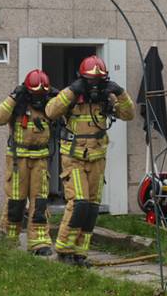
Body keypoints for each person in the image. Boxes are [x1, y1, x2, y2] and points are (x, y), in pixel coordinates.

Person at [44, 55, 135, 266]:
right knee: (79, 203)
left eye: (98, 81)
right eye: (89, 81)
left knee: (92, 207)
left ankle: (80, 253)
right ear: (81, 78)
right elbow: (50, 111)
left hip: (97, 160)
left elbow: (129, 114)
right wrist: (73, 90)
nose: (94, 85)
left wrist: (120, 92)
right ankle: (64, 250)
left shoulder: (106, 98)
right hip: (74, 158)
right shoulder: (73, 96)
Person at [0, 69, 54, 256]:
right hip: (18, 161)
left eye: (41, 94)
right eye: (34, 94)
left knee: (40, 203)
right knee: (16, 202)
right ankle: (9, 240)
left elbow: (64, 110)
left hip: (40, 161)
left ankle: (39, 242)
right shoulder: (17, 103)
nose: (38, 98)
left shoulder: (49, 104)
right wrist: (13, 96)